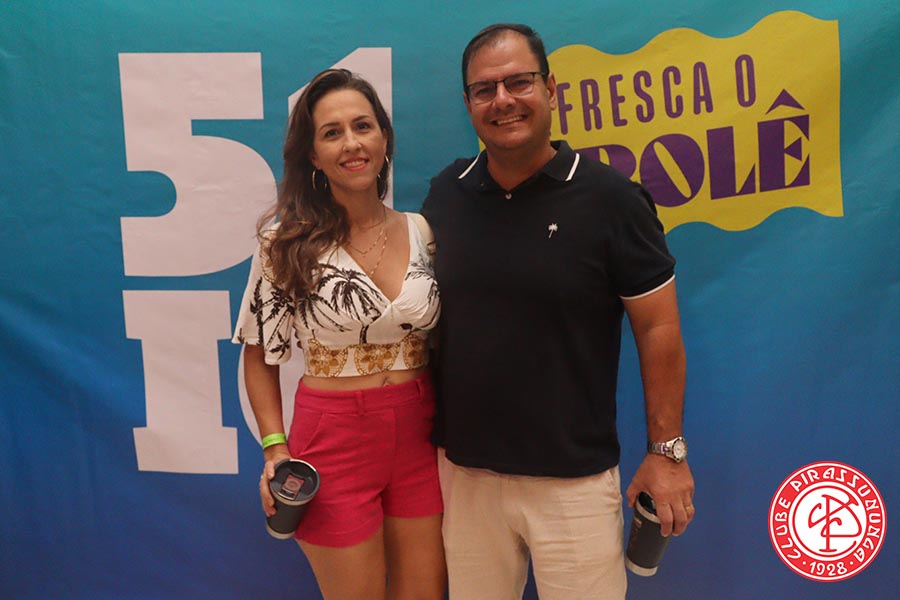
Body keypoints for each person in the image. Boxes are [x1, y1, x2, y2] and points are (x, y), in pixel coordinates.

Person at [421, 24, 695, 600]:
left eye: (518, 82)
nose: (502, 100)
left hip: (574, 485)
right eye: (484, 89)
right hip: (466, 478)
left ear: (551, 89)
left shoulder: (613, 200)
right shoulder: (446, 194)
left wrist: (667, 453)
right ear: (468, 105)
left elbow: (659, 328)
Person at [233, 68, 445, 600]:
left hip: (420, 436)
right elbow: (259, 355)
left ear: (384, 138)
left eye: (362, 126)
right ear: (312, 154)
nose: (351, 143)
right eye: (332, 133)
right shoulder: (284, 244)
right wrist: (275, 450)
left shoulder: (422, 231)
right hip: (333, 441)